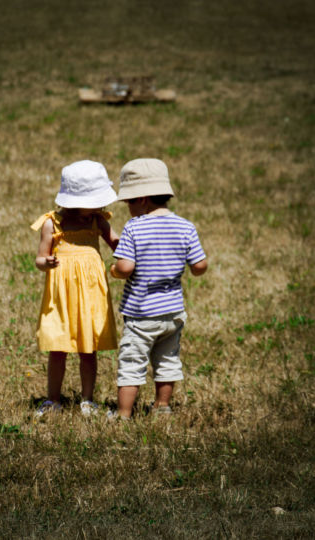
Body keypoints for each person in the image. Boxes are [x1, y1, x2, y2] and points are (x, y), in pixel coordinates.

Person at [109, 158, 207, 419]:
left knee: (132, 363)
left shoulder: (134, 227)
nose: (128, 207)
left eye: (129, 201)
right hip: (173, 313)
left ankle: (123, 414)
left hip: (141, 314)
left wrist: (115, 270)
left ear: (142, 199)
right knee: (167, 360)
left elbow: (126, 267)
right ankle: (162, 407)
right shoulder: (186, 226)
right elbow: (199, 265)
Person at [31, 160, 119, 417]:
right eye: (96, 201)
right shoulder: (52, 223)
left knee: (88, 349)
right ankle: (53, 399)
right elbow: (39, 258)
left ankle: (87, 400)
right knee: (57, 347)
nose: (101, 206)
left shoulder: (98, 221)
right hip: (61, 297)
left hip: (91, 294)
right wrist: (45, 262)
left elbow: (118, 244)